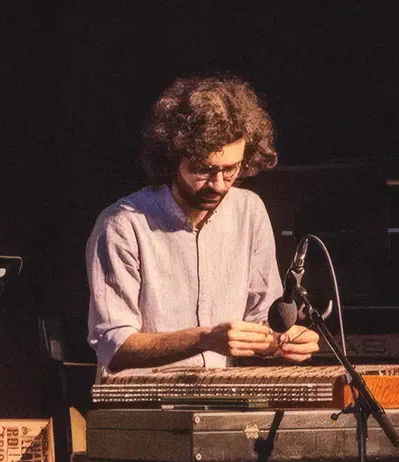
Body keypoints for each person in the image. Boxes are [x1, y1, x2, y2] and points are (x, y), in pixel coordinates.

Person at [86, 75, 320, 375]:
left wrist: (283, 341)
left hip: (223, 400)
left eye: (230, 169)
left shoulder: (249, 211)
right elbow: (114, 346)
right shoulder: (123, 223)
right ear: (174, 156)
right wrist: (206, 339)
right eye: (203, 169)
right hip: (147, 406)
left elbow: (263, 323)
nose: (219, 184)